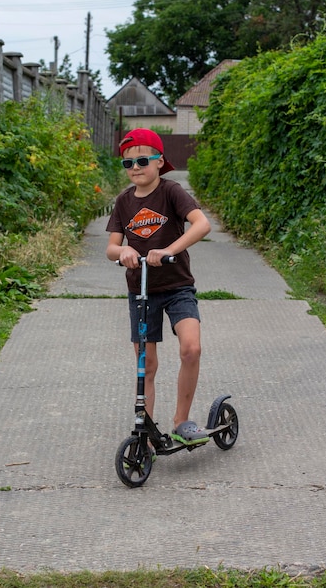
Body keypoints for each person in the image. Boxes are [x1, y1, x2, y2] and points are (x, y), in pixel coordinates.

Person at [106, 128, 211, 446]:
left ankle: (182, 421)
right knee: (146, 364)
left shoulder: (171, 192)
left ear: (159, 161)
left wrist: (169, 250)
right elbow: (111, 247)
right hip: (141, 291)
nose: (135, 168)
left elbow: (202, 224)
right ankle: (146, 430)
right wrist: (122, 251)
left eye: (142, 160)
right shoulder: (124, 202)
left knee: (191, 348)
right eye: (128, 163)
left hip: (177, 285)